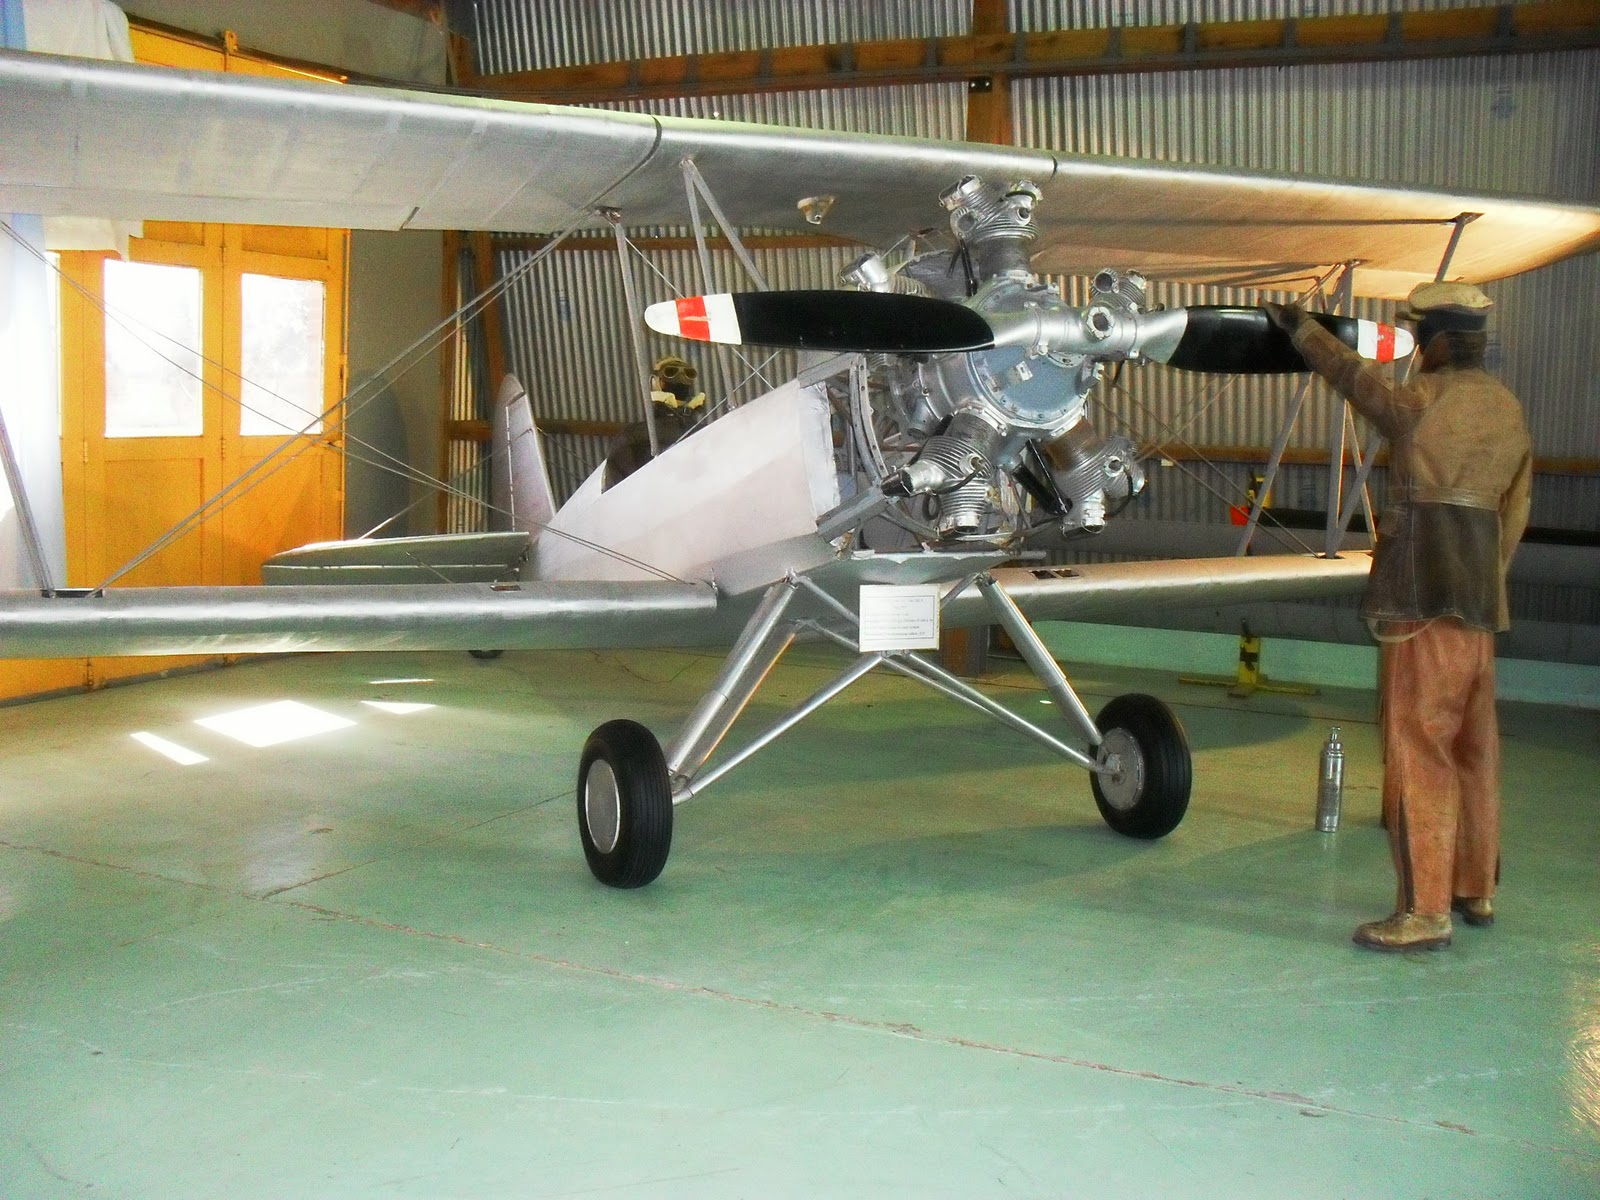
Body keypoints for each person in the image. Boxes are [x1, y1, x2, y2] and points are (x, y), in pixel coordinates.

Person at [1265, 283, 1532, 952]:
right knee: (1475, 749)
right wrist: (1485, 583)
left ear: (1436, 340)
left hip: (1421, 601)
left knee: (1420, 749)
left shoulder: (1422, 401)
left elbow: (1355, 380)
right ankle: (1476, 888)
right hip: (1478, 605)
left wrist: (1304, 331)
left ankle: (1423, 911)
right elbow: (1516, 515)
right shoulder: (1507, 409)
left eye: (1417, 336)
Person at [602, 355, 708, 486]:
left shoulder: (632, 437)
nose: (680, 380)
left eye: (687, 374)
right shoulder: (707, 433)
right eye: (671, 372)